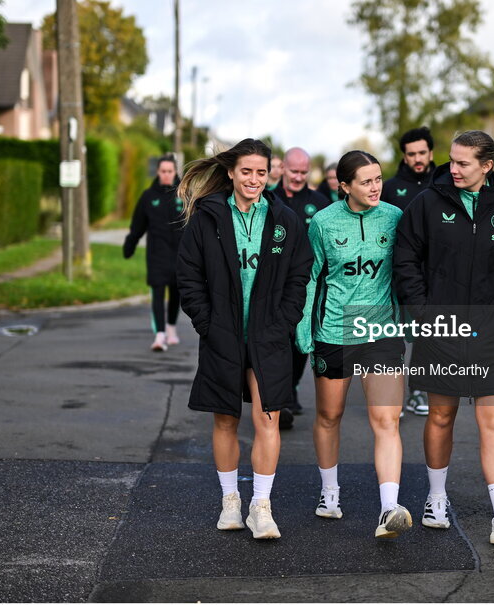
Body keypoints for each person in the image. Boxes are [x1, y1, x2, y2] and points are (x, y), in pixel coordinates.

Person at [394, 130, 494, 545]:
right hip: (440, 329)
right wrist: (421, 310)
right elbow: (405, 257)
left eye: (463, 163)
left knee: (493, 421)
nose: (454, 169)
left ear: (487, 166)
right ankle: (436, 497)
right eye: (452, 161)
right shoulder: (427, 203)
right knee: (441, 416)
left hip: (490, 330)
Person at [175, 139, 313, 540]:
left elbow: (298, 276)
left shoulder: (285, 219)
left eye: (260, 172)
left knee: (268, 417)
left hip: (269, 336)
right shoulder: (208, 217)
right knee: (225, 418)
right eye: (246, 171)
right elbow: (188, 276)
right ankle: (230, 501)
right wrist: (208, 323)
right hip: (223, 334)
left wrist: (284, 323)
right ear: (232, 173)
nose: (253, 179)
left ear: (271, 173)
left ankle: (261, 507)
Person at [296, 151, 411, 538]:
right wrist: (303, 327)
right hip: (335, 333)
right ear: (344, 186)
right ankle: (330, 492)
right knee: (330, 416)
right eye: (365, 181)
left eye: (378, 178)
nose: (375, 186)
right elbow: (311, 277)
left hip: (381, 333)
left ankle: (389, 508)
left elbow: (409, 271)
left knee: (387, 419)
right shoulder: (323, 223)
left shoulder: (395, 218)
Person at [381, 126, 438, 418]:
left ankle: (418, 392)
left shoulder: (445, 181)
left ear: (431, 152)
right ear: (404, 155)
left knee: (426, 333)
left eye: (422, 152)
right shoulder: (390, 188)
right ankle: (395, 394)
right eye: (411, 153)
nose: (417, 158)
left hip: (435, 273)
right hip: (398, 274)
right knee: (396, 335)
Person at [275, 147, 332, 427]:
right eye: (293, 171)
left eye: (303, 172)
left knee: (300, 344)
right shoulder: (266, 198)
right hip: (273, 286)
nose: (297, 177)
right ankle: (281, 397)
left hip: (307, 287)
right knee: (277, 342)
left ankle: (290, 389)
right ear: (282, 168)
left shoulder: (319, 203)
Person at [123, 154, 185, 352]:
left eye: (170, 171)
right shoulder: (148, 197)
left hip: (179, 255)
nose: (166, 175)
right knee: (158, 292)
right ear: (158, 172)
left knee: (175, 293)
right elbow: (137, 227)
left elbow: (195, 224)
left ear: (175, 172)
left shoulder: (184, 195)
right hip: (157, 254)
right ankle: (159, 335)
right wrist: (129, 247)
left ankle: (171, 328)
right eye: (163, 171)